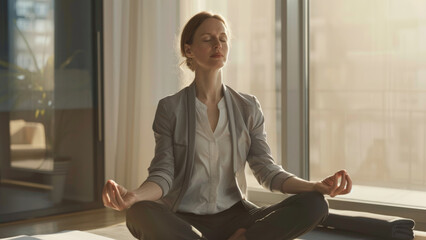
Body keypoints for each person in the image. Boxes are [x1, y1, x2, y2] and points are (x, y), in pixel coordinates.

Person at [102, 11, 352, 240]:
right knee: (139, 212)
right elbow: (163, 174)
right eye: (208, 39)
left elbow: (267, 171)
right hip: (184, 218)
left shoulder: (248, 107)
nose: (217, 44)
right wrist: (134, 195)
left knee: (315, 204)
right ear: (189, 50)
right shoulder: (170, 109)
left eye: (222, 38)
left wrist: (315, 186)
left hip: (237, 217)